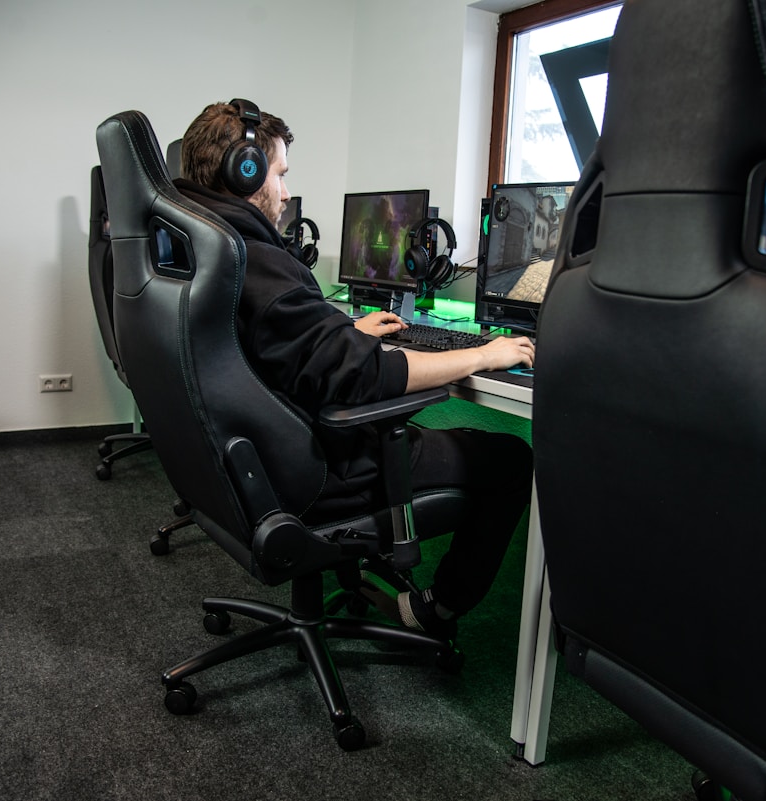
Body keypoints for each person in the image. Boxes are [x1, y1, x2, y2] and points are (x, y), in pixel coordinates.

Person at [173, 100, 535, 641]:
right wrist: (486, 355)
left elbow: (279, 347)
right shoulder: (255, 259)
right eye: (280, 172)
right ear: (244, 170)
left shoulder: (204, 248)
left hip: (247, 459)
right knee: (511, 457)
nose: (287, 191)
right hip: (316, 468)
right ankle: (438, 608)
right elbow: (368, 378)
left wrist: (344, 335)